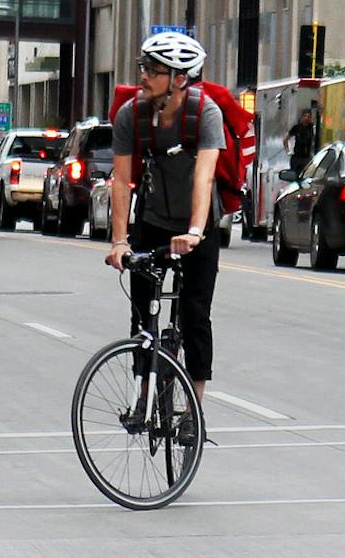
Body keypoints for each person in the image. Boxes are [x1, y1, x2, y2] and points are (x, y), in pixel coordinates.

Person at [106, 32, 225, 422]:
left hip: (198, 224)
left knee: (195, 312)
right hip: (154, 220)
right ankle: (144, 397)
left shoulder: (205, 113)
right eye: (143, 68)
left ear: (179, 78)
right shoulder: (131, 114)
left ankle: (195, 408)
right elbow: (121, 181)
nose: (144, 76)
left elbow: (204, 176)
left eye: (153, 71)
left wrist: (193, 232)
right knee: (143, 312)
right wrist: (120, 242)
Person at [286, 106, 317, 179]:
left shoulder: (312, 128)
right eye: (305, 116)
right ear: (302, 117)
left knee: (305, 177)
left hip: (306, 158)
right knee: (294, 177)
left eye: (308, 116)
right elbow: (285, 139)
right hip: (296, 157)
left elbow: (315, 141)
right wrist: (288, 151)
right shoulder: (296, 127)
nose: (306, 118)